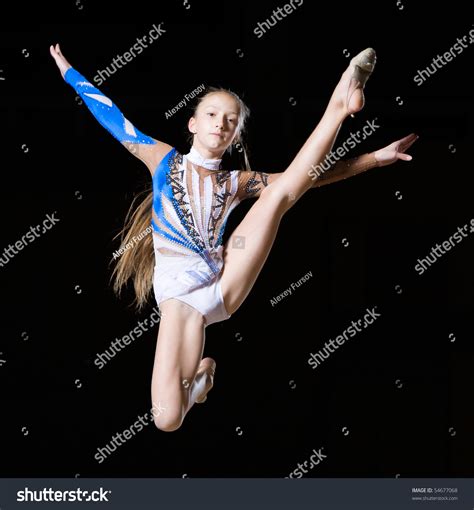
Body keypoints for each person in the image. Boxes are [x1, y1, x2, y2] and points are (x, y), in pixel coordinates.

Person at [50, 43, 418, 432]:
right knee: (167, 419)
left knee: (282, 193)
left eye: (230, 120)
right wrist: (68, 71)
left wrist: (375, 159)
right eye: (211, 114)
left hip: (224, 278)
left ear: (235, 137)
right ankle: (202, 383)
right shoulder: (162, 159)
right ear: (192, 123)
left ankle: (341, 100)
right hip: (184, 301)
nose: (220, 123)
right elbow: (111, 116)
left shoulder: (235, 182)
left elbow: (308, 177)